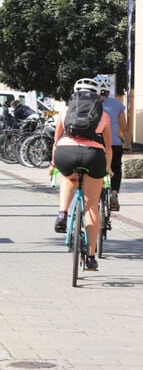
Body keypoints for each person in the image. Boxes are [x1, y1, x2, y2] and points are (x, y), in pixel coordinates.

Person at [52, 78, 112, 271]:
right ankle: (91, 258)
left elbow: (56, 141)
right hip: (92, 156)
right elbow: (108, 147)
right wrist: (108, 168)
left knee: (68, 176)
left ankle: (62, 212)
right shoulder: (103, 115)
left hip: (65, 153)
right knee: (92, 206)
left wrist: (53, 164)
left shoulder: (65, 111)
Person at [98, 78, 130, 211]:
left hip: (96, 144)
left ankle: (97, 193)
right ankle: (114, 194)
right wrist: (127, 144)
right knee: (116, 168)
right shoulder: (116, 104)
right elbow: (125, 128)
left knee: (96, 169)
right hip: (114, 144)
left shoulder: (90, 103)